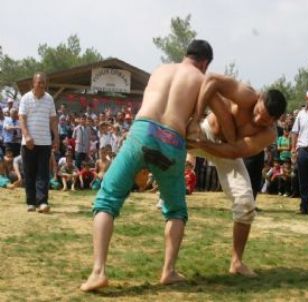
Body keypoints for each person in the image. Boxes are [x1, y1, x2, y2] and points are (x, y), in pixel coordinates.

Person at [81, 40, 214, 291]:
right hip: (171, 141)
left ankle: (98, 272)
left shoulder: (160, 69)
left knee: (107, 199)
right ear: (204, 63)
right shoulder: (201, 80)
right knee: (176, 210)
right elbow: (194, 125)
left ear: (186, 55)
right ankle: (168, 270)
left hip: (143, 131)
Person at [187, 75, 286, 276]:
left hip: (226, 151)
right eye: (258, 112)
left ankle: (236, 262)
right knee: (161, 139)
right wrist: (197, 118)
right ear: (259, 99)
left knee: (245, 203)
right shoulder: (246, 95)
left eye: (265, 120)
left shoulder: (269, 134)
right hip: (204, 131)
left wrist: (203, 146)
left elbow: (235, 151)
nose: (258, 119)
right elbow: (211, 80)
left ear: (275, 121)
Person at [19, 72, 59, 213]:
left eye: (43, 82)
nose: (41, 84)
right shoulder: (25, 98)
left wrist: (56, 137)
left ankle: (42, 202)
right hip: (28, 142)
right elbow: (22, 119)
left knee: (43, 173)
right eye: (39, 82)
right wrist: (27, 136)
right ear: (33, 83)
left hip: (45, 142)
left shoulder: (49, 99)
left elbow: (53, 119)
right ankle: (31, 202)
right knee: (29, 172)